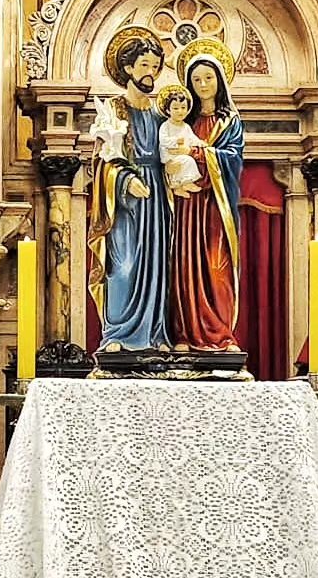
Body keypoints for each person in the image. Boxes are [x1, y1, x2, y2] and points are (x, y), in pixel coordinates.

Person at [87, 26, 172, 352]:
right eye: (144, 66)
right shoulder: (114, 110)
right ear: (127, 68)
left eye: (154, 67)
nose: (150, 73)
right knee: (123, 266)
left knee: (156, 265)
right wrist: (125, 181)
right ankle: (118, 335)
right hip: (123, 203)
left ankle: (154, 334)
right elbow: (102, 161)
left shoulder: (160, 113)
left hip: (157, 198)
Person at [169, 38, 245, 351]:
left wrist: (199, 153)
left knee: (216, 267)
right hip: (188, 206)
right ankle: (187, 335)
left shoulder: (230, 121)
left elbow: (233, 158)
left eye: (208, 78)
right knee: (185, 265)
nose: (202, 84)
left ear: (219, 81)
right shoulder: (180, 122)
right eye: (196, 80)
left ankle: (221, 334)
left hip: (217, 205)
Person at [157, 84, 206, 198]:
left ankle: (182, 185)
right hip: (169, 154)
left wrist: (200, 143)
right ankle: (180, 185)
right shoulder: (166, 126)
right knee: (186, 161)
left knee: (187, 162)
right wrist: (175, 141)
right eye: (175, 108)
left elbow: (192, 139)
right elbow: (163, 140)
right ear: (168, 110)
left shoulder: (186, 126)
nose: (180, 111)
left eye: (183, 108)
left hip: (181, 153)